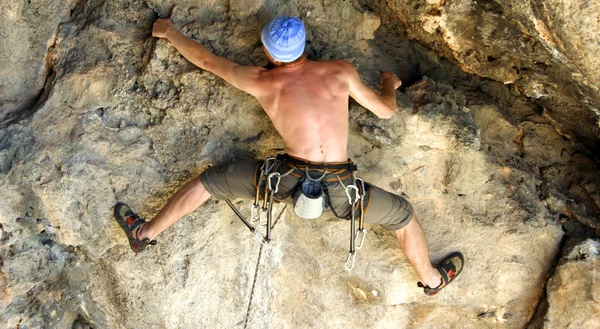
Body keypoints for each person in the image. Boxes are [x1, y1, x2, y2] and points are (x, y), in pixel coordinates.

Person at [114, 16, 463, 295]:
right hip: (343, 188)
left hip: (286, 179)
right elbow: (386, 111)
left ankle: (143, 234)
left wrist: (170, 32)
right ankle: (432, 281)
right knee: (402, 216)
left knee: (209, 183)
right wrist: (390, 84)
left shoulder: (263, 82)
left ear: (268, 52)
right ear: (304, 46)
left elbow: (206, 60)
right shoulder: (339, 71)